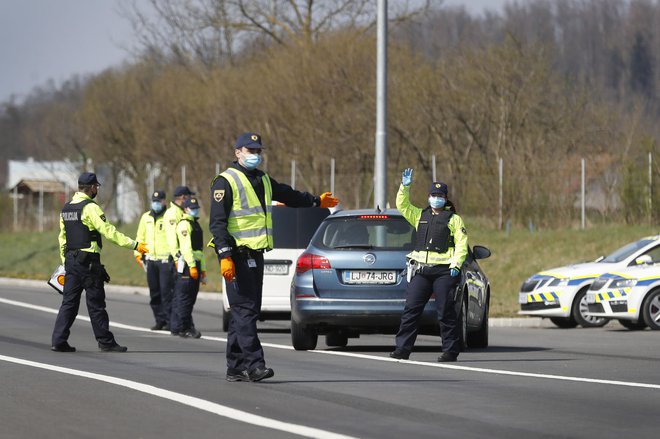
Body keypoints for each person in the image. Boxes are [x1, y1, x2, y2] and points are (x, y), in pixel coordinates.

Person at [209, 132, 339, 382]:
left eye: (258, 151)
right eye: (250, 151)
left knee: (245, 311)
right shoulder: (225, 182)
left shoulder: (263, 180)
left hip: (255, 255)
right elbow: (217, 223)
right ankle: (255, 365)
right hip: (235, 255)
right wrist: (224, 254)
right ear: (238, 152)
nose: (255, 155)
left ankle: (235, 366)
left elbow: (288, 195)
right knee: (245, 310)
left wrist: (315, 202)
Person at [52, 172, 148, 353]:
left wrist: (65, 261)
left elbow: (62, 238)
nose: (97, 189)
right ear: (91, 188)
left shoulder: (67, 209)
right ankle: (105, 341)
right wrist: (134, 244)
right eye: (96, 186)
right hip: (88, 263)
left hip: (71, 261)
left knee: (69, 303)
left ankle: (58, 340)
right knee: (96, 304)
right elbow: (109, 232)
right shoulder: (90, 207)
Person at [390, 168, 468, 362]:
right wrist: (404, 187)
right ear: (428, 197)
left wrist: (456, 265)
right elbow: (402, 205)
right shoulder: (419, 215)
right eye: (433, 195)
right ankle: (402, 349)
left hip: (444, 271)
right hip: (421, 271)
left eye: (440, 195)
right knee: (411, 310)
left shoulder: (454, 219)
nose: (436, 198)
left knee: (445, 311)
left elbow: (461, 243)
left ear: (445, 198)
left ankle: (450, 350)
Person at [134, 190, 173, 330]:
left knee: (166, 292)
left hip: (165, 260)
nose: (156, 203)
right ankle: (159, 319)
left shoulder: (169, 216)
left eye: (159, 200)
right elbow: (140, 237)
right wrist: (138, 254)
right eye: (154, 201)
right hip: (150, 260)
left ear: (164, 201)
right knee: (154, 292)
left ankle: (169, 321)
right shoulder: (146, 218)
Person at [170, 197, 206, 338]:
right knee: (184, 298)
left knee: (189, 298)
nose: (196, 210)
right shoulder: (185, 225)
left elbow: (199, 251)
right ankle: (184, 327)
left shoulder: (195, 224)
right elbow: (186, 248)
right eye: (193, 208)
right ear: (185, 209)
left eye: (197, 207)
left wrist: (202, 269)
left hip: (194, 265)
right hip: (187, 265)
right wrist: (192, 266)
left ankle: (179, 326)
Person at [163, 185, 194, 334]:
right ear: (182, 197)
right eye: (188, 196)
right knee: (179, 293)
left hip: (181, 257)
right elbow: (171, 238)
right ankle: (178, 325)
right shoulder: (172, 213)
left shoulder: (180, 211)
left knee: (179, 293)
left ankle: (179, 325)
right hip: (178, 257)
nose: (189, 199)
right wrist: (176, 257)